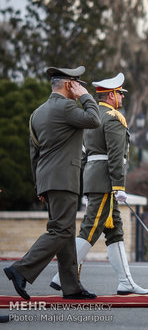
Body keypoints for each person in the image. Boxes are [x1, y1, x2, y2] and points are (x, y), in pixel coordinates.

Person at [48, 73, 148, 295]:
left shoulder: (92, 116)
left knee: (114, 231)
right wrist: (119, 186)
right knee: (91, 228)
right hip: (106, 181)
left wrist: (86, 184)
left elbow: (85, 153)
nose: (122, 98)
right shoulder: (113, 117)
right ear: (112, 95)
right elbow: (116, 156)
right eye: (120, 94)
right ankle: (62, 275)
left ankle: (125, 281)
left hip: (95, 180)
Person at [4, 66, 101, 300]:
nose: (79, 86)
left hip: (48, 179)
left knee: (65, 232)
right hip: (63, 179)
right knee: (60, 230)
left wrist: (39, 185)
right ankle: (20, 269)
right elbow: (94, 119)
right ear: (69, 84)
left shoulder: (37, 112)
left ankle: (72, 287)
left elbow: (33, 153)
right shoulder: (67, 106)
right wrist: (85, 97)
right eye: (77, 83)